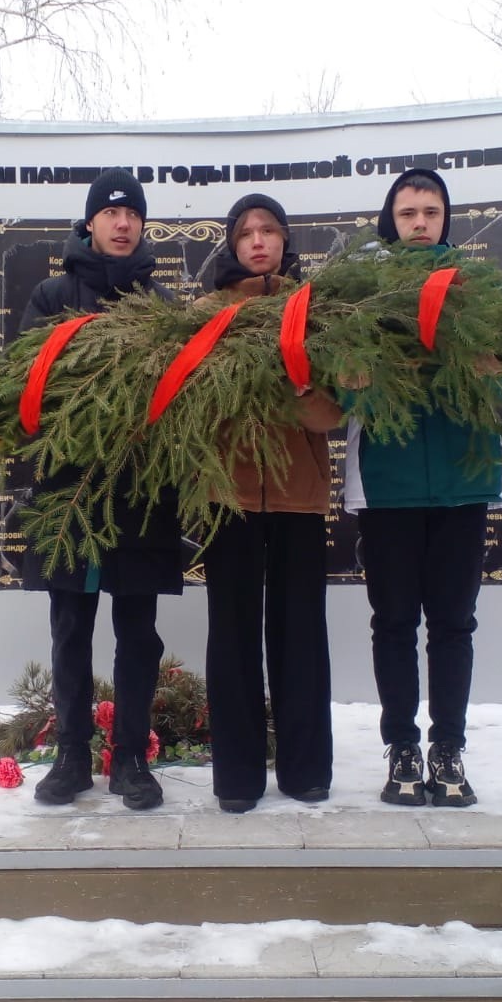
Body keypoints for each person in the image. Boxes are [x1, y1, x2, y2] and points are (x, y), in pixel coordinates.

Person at [19, 168, 182, 811]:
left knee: (138, 631)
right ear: (90, 222)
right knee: (71, 628)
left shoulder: (164, 305)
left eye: (132, 214)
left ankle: (132, 760)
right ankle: (72, 756)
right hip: (71, 492)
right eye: (110, 213)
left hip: (142, 491)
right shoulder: (53, 294)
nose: (122, 223)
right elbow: (27, 375)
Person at [343, 167, 500, 808]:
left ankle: (449, 749)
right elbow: (329, 369)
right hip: (389, 486)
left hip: (464, 482)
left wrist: (496, 373)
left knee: (455, 625)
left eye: (430, 213)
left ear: (445, 219)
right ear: (391, 219)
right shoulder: (358, 297)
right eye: (407, 213)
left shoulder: (479, 290)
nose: (419, 224)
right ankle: (402, 748)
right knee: (394, 624)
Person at [197, 194, 340, 813]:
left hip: (298, 499)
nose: (258, 241)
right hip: (225, 496)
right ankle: (236, 778)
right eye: (247, 232)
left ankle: (306, 770)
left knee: (300, 633)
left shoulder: (314, 313)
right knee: (230, 638)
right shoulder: (203, 314)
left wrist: (295, 378)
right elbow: (191, 407)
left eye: (270, 230)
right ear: (231, 244)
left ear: (286, 241)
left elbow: (330, 413)